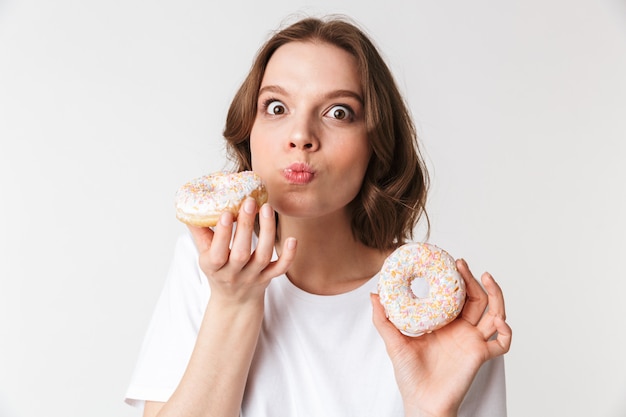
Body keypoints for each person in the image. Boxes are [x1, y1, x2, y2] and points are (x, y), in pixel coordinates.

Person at [125, 15, 512, 417]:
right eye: (276, 107)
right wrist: (233, 303)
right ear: (249, 130)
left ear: (376, 143)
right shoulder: (207, 266)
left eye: (338, 112)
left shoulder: (447, 320)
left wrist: (431, 411)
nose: (301, 135)